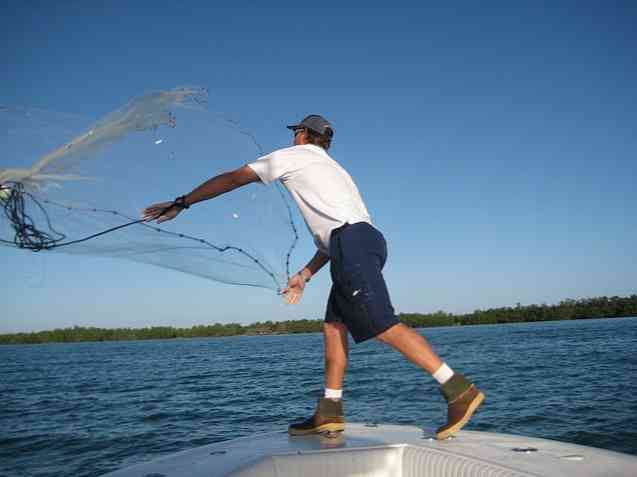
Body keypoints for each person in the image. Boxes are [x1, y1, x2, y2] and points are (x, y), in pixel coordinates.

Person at [143, 114, 484, 440]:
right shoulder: (331, 169)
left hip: (350, 242)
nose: (293, 137)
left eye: (296, 132)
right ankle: (329, 410)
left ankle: (458, 390)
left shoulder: (295, 155)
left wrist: (182, 202)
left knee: (380, 322)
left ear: (304, 135)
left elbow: (234, 177)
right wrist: (305, 275)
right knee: (334, 327)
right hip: (360, 242)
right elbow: (330, 239)